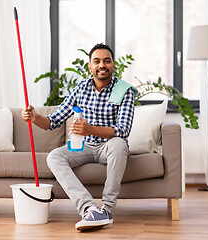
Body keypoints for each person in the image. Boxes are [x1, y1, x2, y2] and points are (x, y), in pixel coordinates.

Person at [21, 43, 135, 231]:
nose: (102, 65)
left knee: (118, 144)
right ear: (90, 66)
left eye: (107, 61)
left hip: (109, 148)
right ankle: (89, 209)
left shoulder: (124, 90)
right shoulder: (81, 89)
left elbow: (123, 130)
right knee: (54, 156)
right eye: (96, 61)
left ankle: (106, 209)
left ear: (113, 65)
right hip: (84, 147)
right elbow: (53, 121)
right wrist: (35, 118)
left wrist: (90, 129)